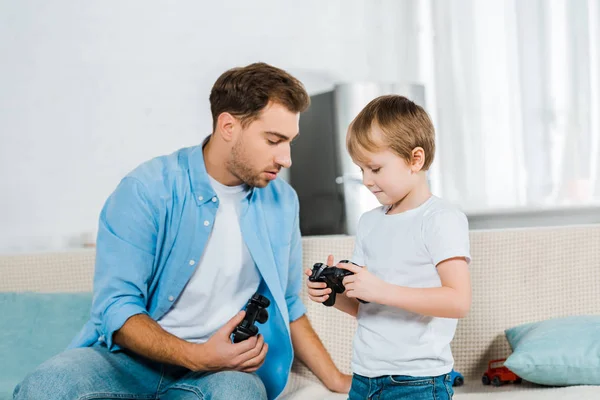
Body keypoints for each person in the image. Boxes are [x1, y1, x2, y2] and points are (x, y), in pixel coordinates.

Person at [14, 62, 351, 400]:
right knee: (46, 386)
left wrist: (335, 380)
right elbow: (116, 305)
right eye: (274, 140)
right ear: (228, 126)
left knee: (238, 394)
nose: (287, 158)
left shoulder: (282, 201)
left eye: (289, 141)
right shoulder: (146, 189)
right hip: (127, 363)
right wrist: (195, 354)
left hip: (219, 374)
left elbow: (288, 302)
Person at [306, 95, 471, 400]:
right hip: (365, 377)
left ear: (415, 159)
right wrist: (333, 295)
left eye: (376, 168)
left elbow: (458, 301)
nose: (367, 180)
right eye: (361, 170)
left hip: (418, 381)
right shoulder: (370, 222)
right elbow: (367, 306)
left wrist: (382, 290)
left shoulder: (441, 219)